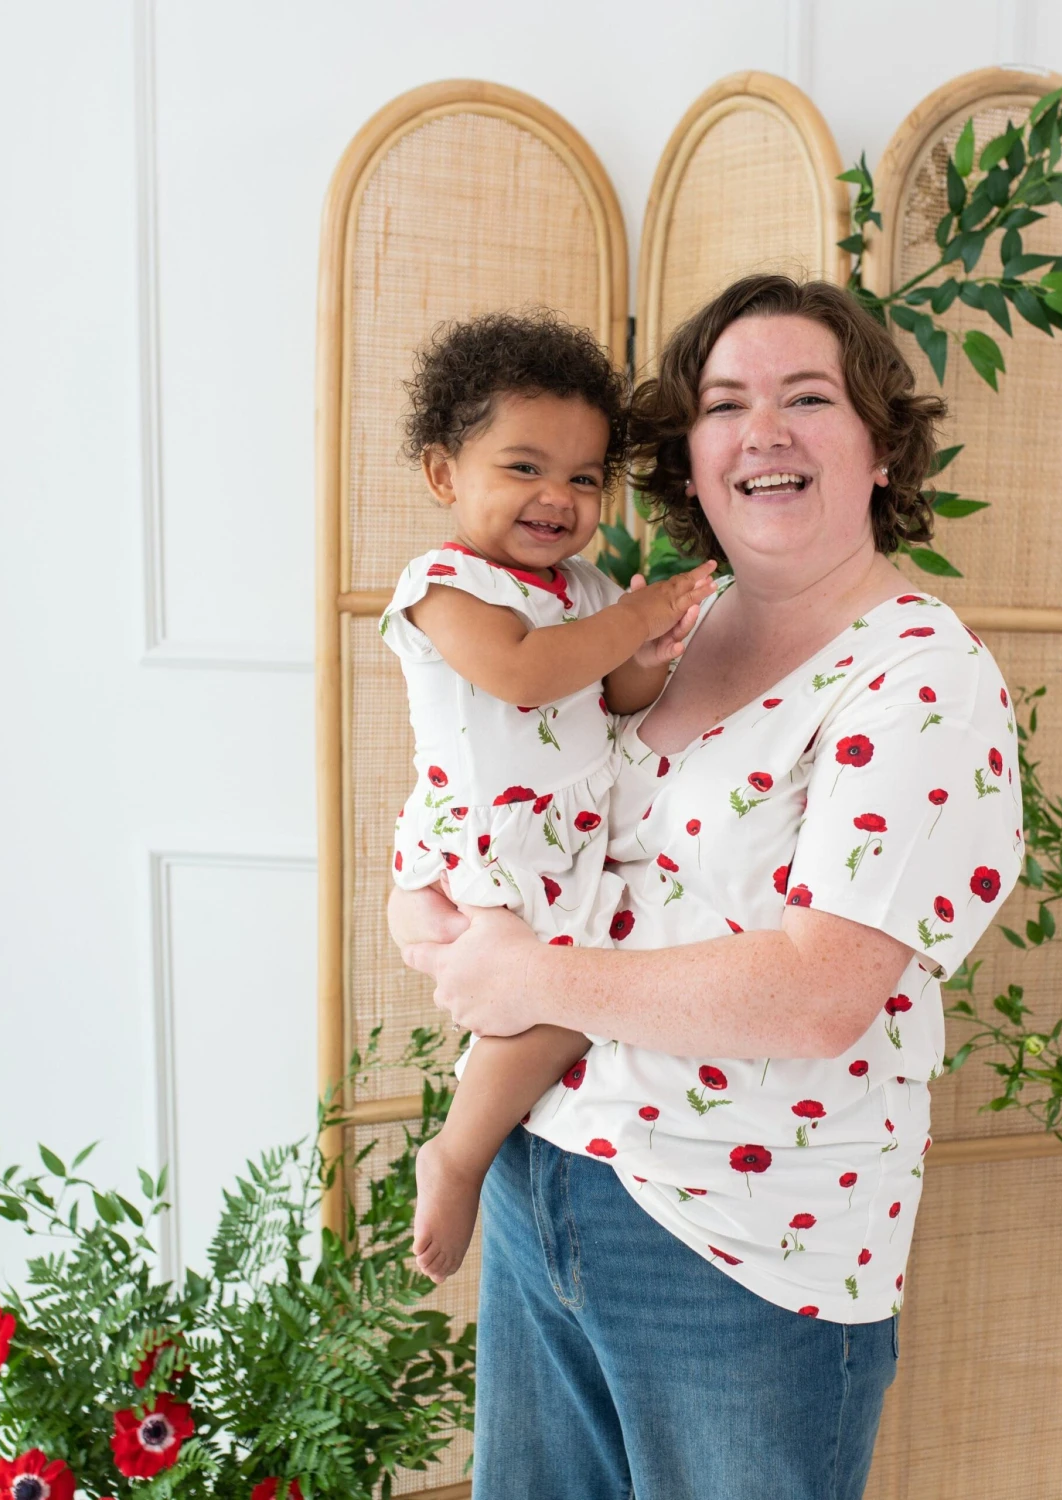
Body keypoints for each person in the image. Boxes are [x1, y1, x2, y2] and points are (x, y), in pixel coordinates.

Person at [389, 275, 1024, 1500]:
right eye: (727, 402)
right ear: (688, 449)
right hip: (548, 1173)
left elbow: (818, 994)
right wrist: (423, 895)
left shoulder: (919, 680)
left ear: (881, 447)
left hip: (741, 1242)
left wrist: (518, 972)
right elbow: (536, 792)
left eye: (807, 398)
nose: (762, 431)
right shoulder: (676, 622)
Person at [381, 311, 716, 1282]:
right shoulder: (444, 586)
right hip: (497, 838)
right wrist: (638, 611)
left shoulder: (581, 584)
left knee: (572, 995)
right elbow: (524, 676)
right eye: (523, 468)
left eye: (582, 477)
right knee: (562, 1004)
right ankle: (459, 1153)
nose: (557, 498)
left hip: (558, 833)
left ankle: (479, 1138)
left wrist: (650, 654)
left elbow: (611, 697)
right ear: (446, 475)